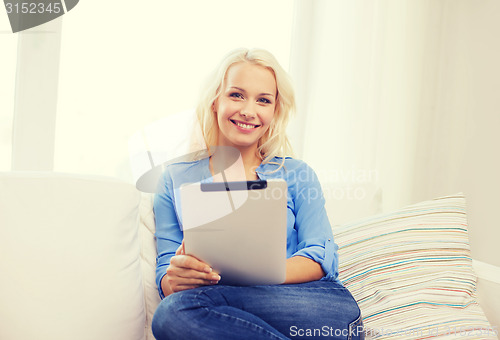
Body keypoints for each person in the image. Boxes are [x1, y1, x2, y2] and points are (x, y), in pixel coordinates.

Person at [151, 48, 364, 340]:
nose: (248, 110)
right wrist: (175, 278)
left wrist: (252, 275)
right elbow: (166, 273)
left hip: (317, 307)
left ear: (275, 111)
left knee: (180, 311)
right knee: (173, 313)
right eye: (236, 95)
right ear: (215, 101)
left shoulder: (297, 174)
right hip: (221, 314)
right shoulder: (174, 179)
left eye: (263, 100)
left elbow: (320, 258)